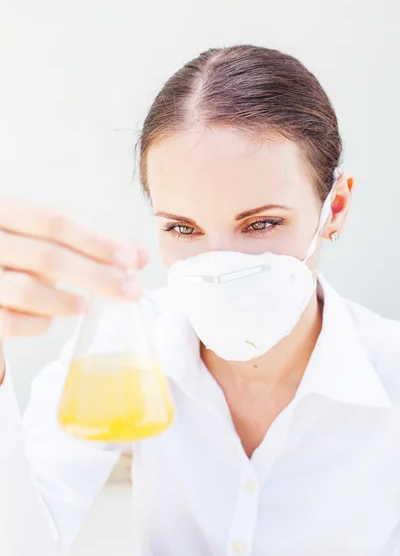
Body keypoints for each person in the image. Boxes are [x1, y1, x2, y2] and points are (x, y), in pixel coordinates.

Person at [1, 44, 400, 556]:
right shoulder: (125, 350)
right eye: (183, 228)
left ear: (335, 208)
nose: (220, 266)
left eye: (261, 223)